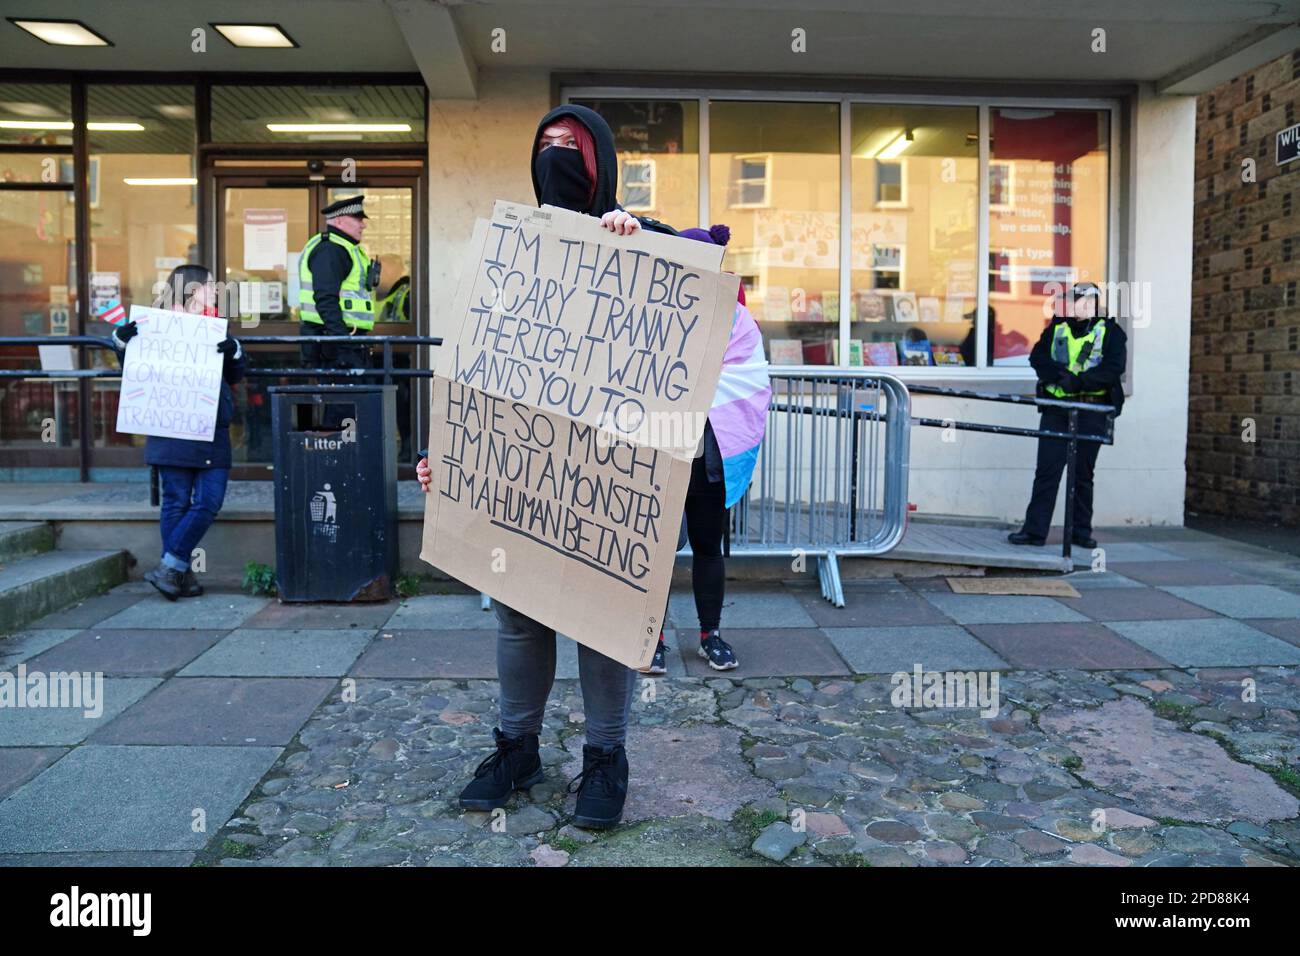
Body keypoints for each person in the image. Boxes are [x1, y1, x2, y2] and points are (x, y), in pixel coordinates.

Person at [415, 105, 674, 829]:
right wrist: (450, 453)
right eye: (547, 146)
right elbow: (478, 364)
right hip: (524, 474)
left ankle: (604, 759)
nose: (556, 157)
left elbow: (702, 306)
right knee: (520, 619)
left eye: (572, 148)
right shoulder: (512, 251)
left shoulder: (642, 241)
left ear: (603, 164)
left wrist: (641, 237)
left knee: (603, 624)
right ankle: (516, 747)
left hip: (608, 473)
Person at [643, 223, 771, 675]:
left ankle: (710, 635)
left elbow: (751, 379)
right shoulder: (654, 311)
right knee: (655, 552)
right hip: (660, 453)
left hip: (711, 457)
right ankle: (651, 638)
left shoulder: (736, 320)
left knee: (707, 547)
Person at [111, 264, 245, 599]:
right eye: (211, 285)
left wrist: (235, 352)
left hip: (210, 427)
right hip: (170, 426)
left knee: (209, 501)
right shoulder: (152, 325)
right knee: (175, 501)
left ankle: (171, 567)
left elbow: (236, 374)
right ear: (191, 289)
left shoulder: (217, 326)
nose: (216, 290)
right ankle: (179, 576)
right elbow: (135, 370)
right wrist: (121, 344)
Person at [1008, 282, 1126, 549]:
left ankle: (1080, 532)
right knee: (1047, 472)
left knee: (1082, 474)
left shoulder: (1111, 331)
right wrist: (1061, 378)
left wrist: (1080, 382)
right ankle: (1034, 532)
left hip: (1091, 410)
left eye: (1089, 301)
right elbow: (1038, 358)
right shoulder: (1057, 326)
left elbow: (1113, 368)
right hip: (1057, 411)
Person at [298, 195, 379, 378]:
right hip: (335, 345)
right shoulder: (331, 250)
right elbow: (325, 299)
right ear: (340, 220)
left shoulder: (344, 248)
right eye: (358, 219)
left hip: (342, 342)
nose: (363, 225)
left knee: (357, 402)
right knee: (345, 403)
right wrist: (343, 340)